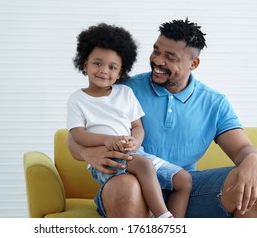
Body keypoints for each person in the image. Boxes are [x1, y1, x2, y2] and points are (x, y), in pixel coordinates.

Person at [67, 18, 257, 218]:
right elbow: (74, 137)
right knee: (127, 185)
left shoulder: (214, 103)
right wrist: (88, 154)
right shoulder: (123, 89)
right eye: (156, 51)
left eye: (170, 57)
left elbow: (242, 149)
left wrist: (255, 160)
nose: (158, 60)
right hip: (130, 186)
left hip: (183, 191)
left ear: (193, 64)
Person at [67, 23, 192, 218]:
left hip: (134, 152)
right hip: (106, 158)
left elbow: (137, 126)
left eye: (112, 67)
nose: (104, 71)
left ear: (120, 72)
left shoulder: (125, 93)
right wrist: (106, 141)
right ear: (85, 64)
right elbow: (77, 134)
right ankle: (163, 217)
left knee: (184, 180)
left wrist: (135, 141)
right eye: (97, 63)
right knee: (144, 166)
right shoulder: (78, 99)